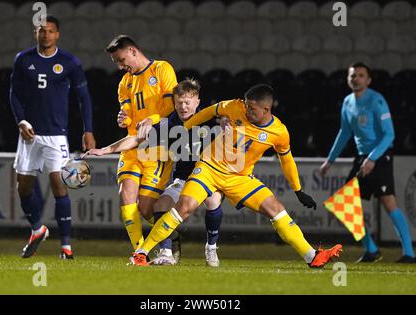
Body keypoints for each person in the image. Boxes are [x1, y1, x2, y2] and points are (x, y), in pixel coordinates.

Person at [128, 84, 343, 268]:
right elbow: (211, 110)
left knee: (276, 210)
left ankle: (312, 257)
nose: (247, 110)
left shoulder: (279, 132)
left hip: (239, 177)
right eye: (247, 105)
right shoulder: (235, 106)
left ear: (266, 109)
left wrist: (298, 189)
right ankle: (142, 253)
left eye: (252, 108)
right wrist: (187, 126)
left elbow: (286, 160)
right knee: (184, 207)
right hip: (209, 169)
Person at [86, 79, 224, 267]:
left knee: (213, 200)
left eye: (187, 102)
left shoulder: (210, 120)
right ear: (174, 103)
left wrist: (229, 124)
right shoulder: (169, 123)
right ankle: (166, 252)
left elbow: (237, 123)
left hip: (209, 178)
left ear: (197, 102)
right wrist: (105, 150)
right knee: (161, 204)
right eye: (179, 102)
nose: (183, 107)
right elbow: (135, 139)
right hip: (183, 179)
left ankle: (211, 247)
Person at [9, 15, 96, 259]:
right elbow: (13, 94)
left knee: (59, 184)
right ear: (34, 33)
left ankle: (66, 247)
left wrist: (88, 129)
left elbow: (84, 98)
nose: (45, 34)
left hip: (57, 135)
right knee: (23, 186)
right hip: (29, 134)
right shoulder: (23, 60)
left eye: (50, 31)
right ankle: (38, 229)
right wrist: (21, 120)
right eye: (41, 31)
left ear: (57, 34)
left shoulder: (69, 62)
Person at [319, 62, 415, 263]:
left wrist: (372, 158)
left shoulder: (377, 101)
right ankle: (371, 249)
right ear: (348, 79)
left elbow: (390, 135)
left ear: (368, 80)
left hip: (380, 155)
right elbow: (344, 132)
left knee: (388, 202)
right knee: (344, 203)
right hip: (362, 158)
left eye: (360, 75)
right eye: (353, 75)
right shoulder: (347, 102)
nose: (356, 79)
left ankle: (409, 253)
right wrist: (330, 160)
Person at [105, 35, 180, 255]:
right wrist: (123, 119)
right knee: (126, 194)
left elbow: (172, 108)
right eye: (117, 63)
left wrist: (152, 119)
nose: (120, 66)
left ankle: (171, 236)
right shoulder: (124, 83)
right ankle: (139, 252)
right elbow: (129, 117)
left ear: (133, 51)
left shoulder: (162, 69)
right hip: (132, 147)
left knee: (146, 209)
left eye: (121, 60)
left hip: (158, 148)